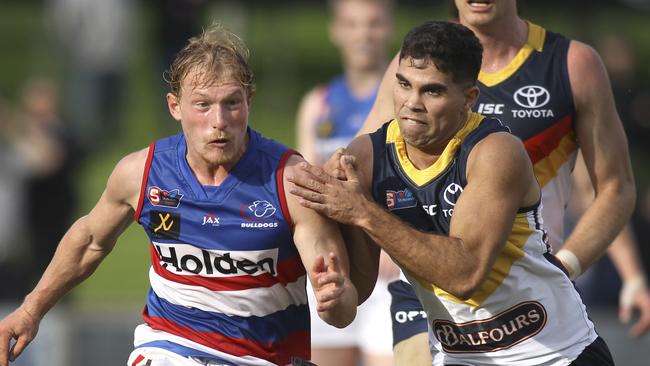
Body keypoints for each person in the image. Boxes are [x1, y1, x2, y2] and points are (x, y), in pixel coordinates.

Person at [0, 24, 359, 366]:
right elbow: (89, 242)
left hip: (266, 356)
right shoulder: (142, 173)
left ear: (249, 101)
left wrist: (335, 299)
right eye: (202, 105)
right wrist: (32, 310)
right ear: (175, 107)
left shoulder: (291, 182)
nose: (218, 121)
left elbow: (343, 311)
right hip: (170, 347)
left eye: (231, 103)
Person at [289, 20, 615, 365]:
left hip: (555, 353)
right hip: (460, 357)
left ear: (468, 99)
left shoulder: (495, 152)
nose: (411, 103)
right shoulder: (370, 157)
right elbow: (354, 300)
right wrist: (335, 294)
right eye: (403, 84)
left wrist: (363, 212)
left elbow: (465, 275)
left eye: (432, 91)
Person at [353, 0, 648, 363]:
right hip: (426, 289)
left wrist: (573, 262)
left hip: (526, 289)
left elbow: (614, 187)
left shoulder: (571, 64)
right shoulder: (416, 65)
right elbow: (358, 170)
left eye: (433, 91)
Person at [295, 0, 397, 365]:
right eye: (352, 24)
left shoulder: (408, 98)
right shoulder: (318, 103)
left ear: (389, 27)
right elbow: (303, 190)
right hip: (333, 263)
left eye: (373, 24)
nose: (363, 35)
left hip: (389, 268)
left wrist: (392, 246)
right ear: (335, 29)